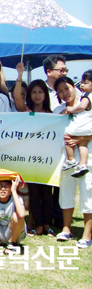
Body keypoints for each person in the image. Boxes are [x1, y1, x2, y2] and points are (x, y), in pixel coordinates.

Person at [12, 68, 55, 237]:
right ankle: (37, 223)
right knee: (34, 192)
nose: (37, 96)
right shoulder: (27, 112)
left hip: (49, 160)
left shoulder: (52, 115)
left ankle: (47, 224)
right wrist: (20, 76)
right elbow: (17, 98)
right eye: (34, 92)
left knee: (48, 193)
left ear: (45, 95)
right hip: (31, 159)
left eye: (40, 92)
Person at [53, 76, 92, 248]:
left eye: (66, 88)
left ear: (74, 86)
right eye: (60, 91)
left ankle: (87, 234)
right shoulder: (59, 111)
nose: (64, 93)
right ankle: (66, 229)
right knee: (66, 192)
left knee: (87, 193)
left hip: (87, 155)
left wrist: (82, 139)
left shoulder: (87, 105)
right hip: (66, 159)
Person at [60, 71, 92, 177]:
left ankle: (71, 159)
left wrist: (72, 109)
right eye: (60, 91)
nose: (82, 85)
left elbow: (82, 107)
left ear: (74, 87)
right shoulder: (58, 109)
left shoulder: (86, 96)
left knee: (67, 135)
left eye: (85, 83)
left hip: (83, 130)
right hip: (88, 130)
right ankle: (82, 165)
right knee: (83, 146)